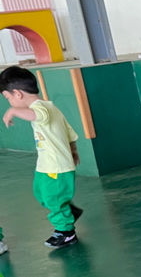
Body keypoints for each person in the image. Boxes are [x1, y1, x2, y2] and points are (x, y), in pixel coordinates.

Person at [1, 66, 83, 248]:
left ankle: (66, 232)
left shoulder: (42, 108)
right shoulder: (49, 108)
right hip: (46, 165)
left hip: (56, 166)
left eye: (8, 98)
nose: (9, 103)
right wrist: (73, 150)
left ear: (17, 94)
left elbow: (38, 116)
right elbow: (69, 132)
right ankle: (68, 211)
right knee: (41, 194)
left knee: (53, 198)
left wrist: (12, 111)